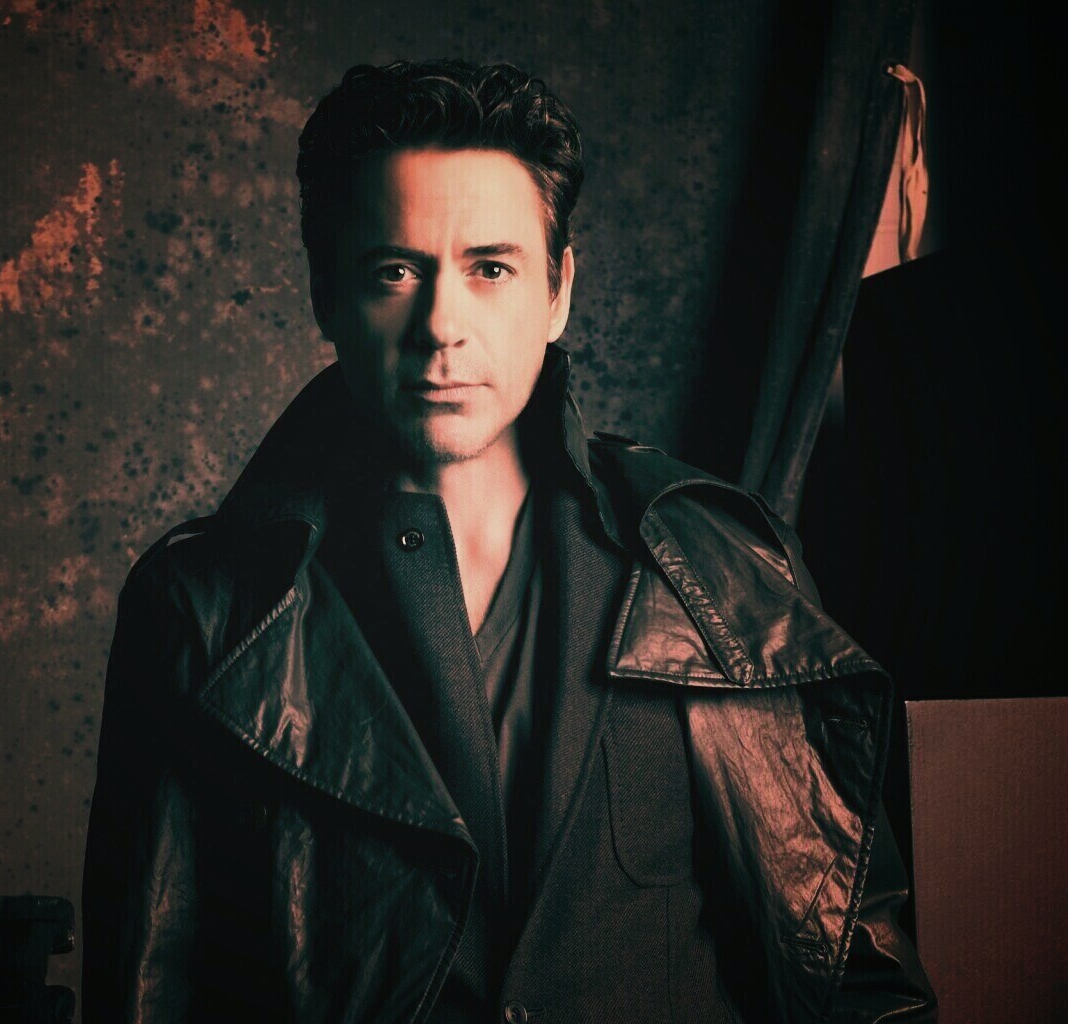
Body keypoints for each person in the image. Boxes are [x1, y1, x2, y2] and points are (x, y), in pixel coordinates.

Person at [81, 59, 936, 1023]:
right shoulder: (202, 608)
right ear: (326, 294)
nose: (442, 326)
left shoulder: (721, 564)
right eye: (395, 271)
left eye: (491, 269)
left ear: (559, 290)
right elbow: (146, 991)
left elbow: (855, 970)